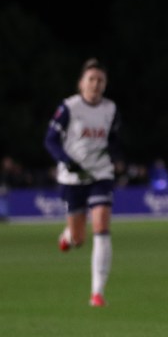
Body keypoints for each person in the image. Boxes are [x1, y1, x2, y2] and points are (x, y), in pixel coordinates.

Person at [44, 57, 122, 307]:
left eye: (100, 80)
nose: (96, 84)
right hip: (72, 177)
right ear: (81, 83)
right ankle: (69, 236)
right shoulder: (69, 108)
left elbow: (115, 139)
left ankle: (97, 293)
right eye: (91, 79)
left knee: (101, 225)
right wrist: (67, 161)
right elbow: (50, 140)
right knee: (79, 238)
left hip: (100, 175)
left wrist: (114, 154)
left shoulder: (111, 109)